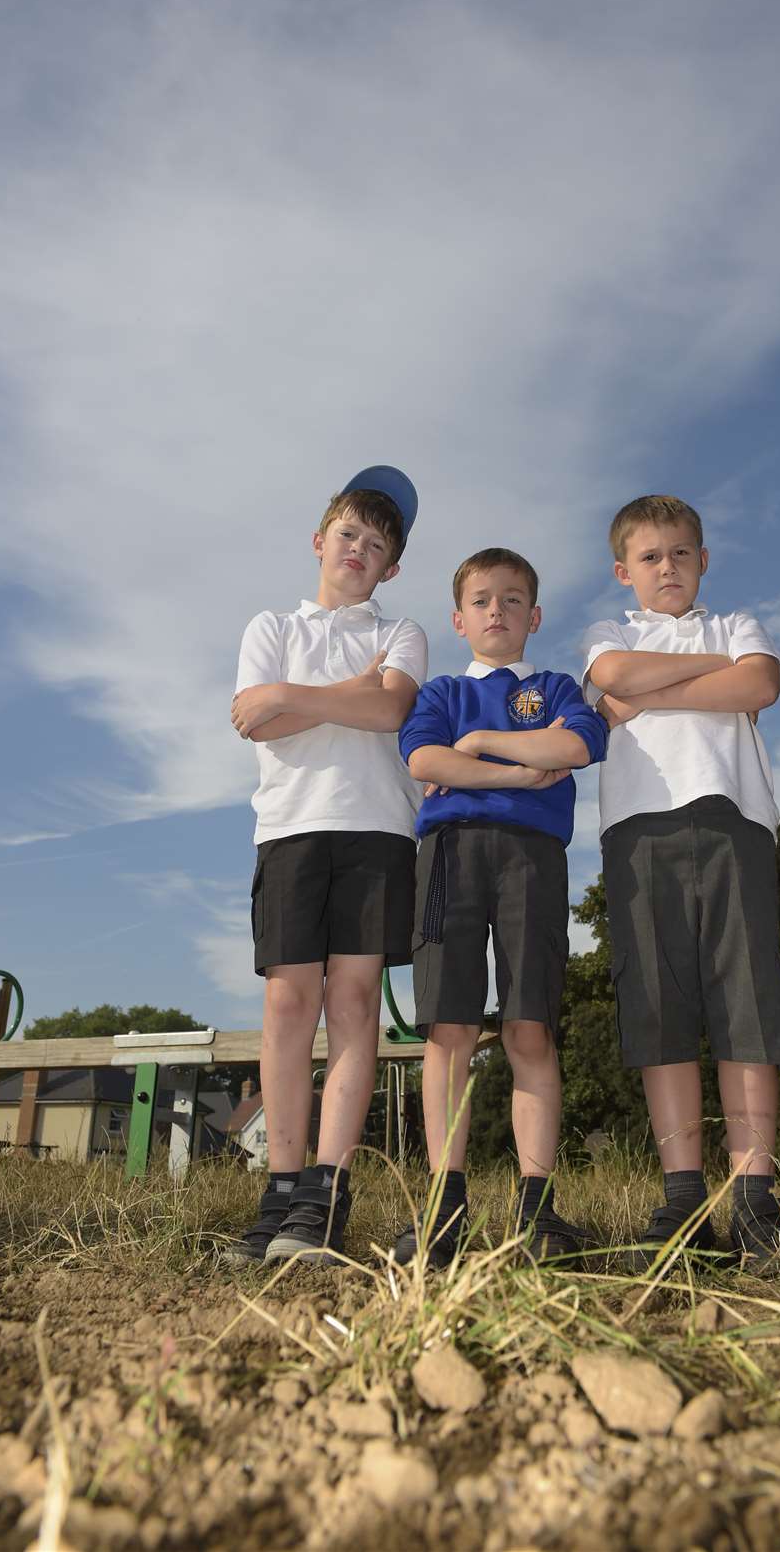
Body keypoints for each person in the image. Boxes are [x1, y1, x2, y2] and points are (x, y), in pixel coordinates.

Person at [581, 495, 780, 1271]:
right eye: (650, 556)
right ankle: (681, 1197)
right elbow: (611, 675)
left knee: (746, 1000)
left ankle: (754, 1197)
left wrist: (650, 694)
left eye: (680, 552)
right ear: (622, 571)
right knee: (658, 1002)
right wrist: (704, 676)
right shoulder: (611, 633)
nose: (666, 566)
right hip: (639, 830)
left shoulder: (738, 626)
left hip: (735, 819)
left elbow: (760, 684)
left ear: (703, 559)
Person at [225, 466, 426, 1266]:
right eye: (349, 534)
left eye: (377, 545)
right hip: (291, 829)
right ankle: (279, 1190)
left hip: (378, 828)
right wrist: (339, 690)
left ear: (392, 568)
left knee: (352, 1003)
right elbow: (255, 721)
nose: (359, 549)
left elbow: (389, 707)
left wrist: (292, 694)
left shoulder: (402, 631)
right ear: (320, 540)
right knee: (286, 1005)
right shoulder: (270, 626)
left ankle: (326, 1196)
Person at [394, 548, 609, 1267]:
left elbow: (578, 742)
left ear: (534, 614)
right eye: (482, 599)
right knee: (449, 1029)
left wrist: (482, 744)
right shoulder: (442, 692)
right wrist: (523, 771)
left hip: (532, 857)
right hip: (450, 855)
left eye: (512, 599)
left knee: (529, 1028)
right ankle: (442, 1206)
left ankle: (537, 1210)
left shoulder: (552, 687)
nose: (497, 610)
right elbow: (425, 760)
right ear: (459, 618)